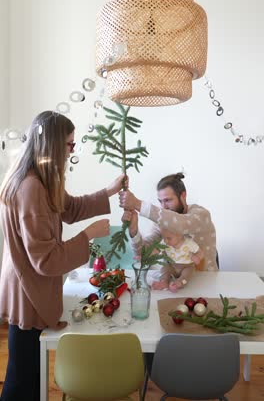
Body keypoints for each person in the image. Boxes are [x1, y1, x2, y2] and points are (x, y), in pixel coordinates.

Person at [0, 110, 125, 401]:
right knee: (22, 378)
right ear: (54, 145)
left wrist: (108, 191)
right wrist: (88, 235)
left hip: (27, 282)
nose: (72, 150)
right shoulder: (31, 187)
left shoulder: (41, 177)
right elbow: (47, 260)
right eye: (70, 144)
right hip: (27, 290)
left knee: (31, 370)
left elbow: (69, 208)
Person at [120, 172, 218, 272]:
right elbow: (143, 254)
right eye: (160, 201)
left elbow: (180, 225)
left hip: (206, 280)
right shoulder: (163, 221)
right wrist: (133, 230)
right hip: (174, 283)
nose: (164, 206)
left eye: (167, 200)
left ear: (183, 195)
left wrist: (137, 204)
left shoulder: (201, 214)